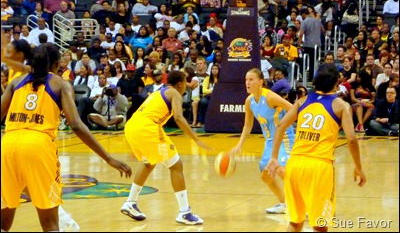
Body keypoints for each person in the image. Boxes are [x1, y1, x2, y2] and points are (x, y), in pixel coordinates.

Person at [1, 42, 132, 232]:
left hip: (8, 145)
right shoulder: (60, 84)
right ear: (56, 64)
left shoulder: (16, 82)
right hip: (38, 146)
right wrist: (108, 157)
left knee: (4, 218)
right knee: (50, 223)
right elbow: (77, 125)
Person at [266, 63, 366, 232]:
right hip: (319, 167)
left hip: (295, 164)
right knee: (320, 225)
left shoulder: (302, 101)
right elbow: (351, 138)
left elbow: (281, 125)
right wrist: (358, 167)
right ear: (336, 83)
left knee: (295, 222)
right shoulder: (341, 105)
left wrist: (274, 158)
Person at [121, 70, 212, 225]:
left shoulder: (159, 91)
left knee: (149, 164)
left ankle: (130, 203)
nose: (187, 85)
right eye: (186, 82)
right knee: (176, 165)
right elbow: (178, 117)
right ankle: (184, 212)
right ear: (180, 83)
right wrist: (195, 138)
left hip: (131, 127)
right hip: (147, 128)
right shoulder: (175, 93)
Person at [230, 68, 294, 214]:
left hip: (284, 137)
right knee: (265, 174)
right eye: (246, 79)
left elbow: (293, 109)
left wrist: (285, 125)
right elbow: (248, 125)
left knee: (282, 170)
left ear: (260, 82)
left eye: (251, 79)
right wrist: (239, 145)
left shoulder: (270, 97)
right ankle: (284, 203)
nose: (247, 82)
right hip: (269, 141)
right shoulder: (249, 101)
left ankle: (307, 203)